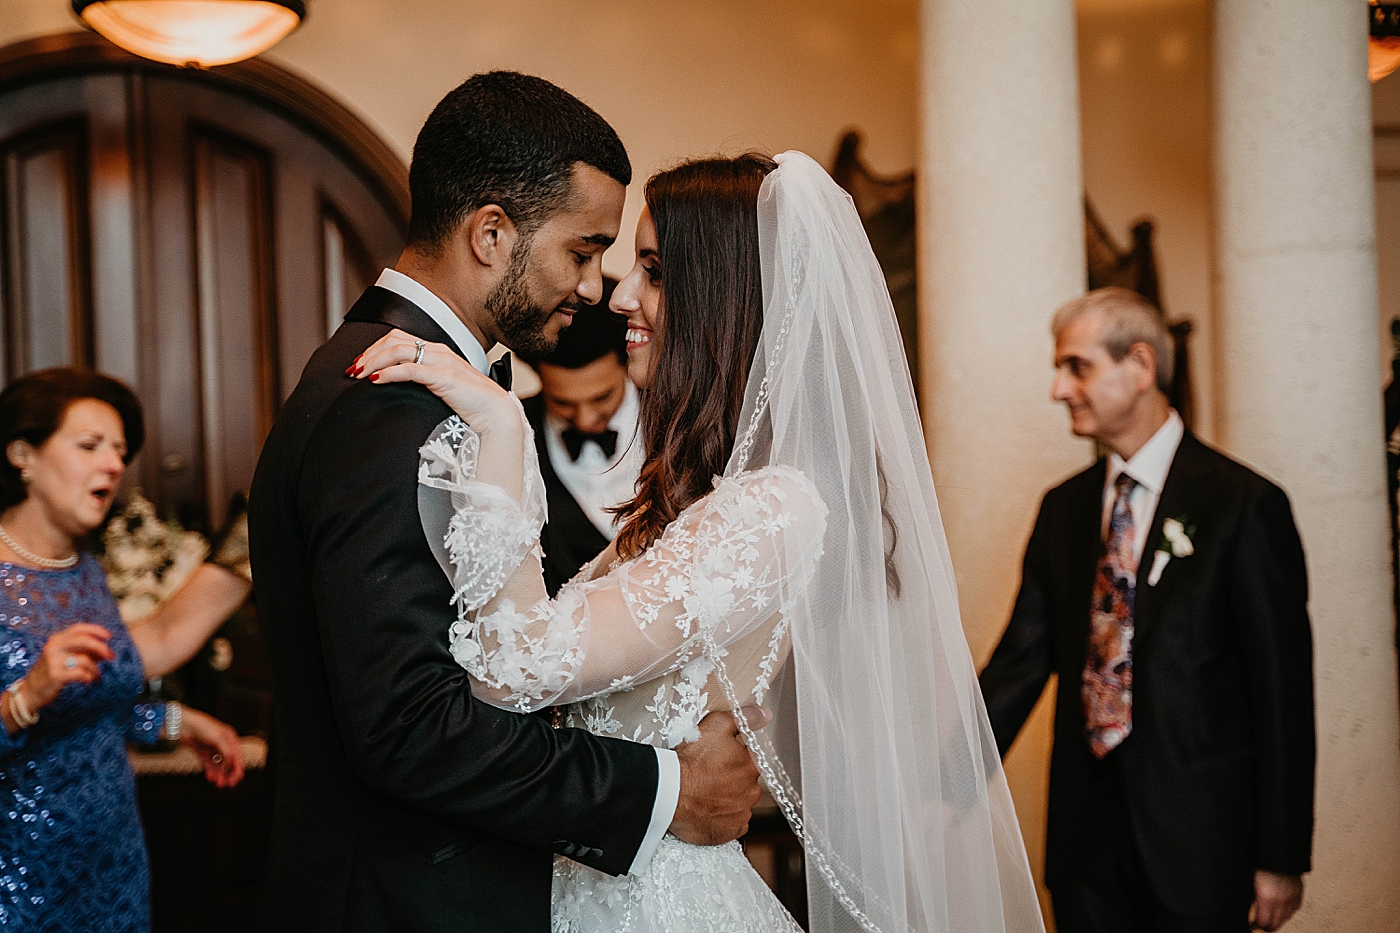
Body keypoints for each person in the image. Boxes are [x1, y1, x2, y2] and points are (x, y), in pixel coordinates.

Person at [355, 151, 1044, 933]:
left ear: (721, 297)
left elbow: (515, 668)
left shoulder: (775, 508)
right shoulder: (701, 502)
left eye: (652, 268)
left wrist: (501, 425)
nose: (620, 295)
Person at [247, 72, 763, 933]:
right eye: (584, 250)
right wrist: (662, 791)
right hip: (406, 901)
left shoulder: (418, 382)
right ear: (492, 233)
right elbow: (412, 724)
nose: (599, 288)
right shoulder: (390, 402)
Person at [978, 287, 1315, 933]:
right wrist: (931, 780)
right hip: (1085, 849)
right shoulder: (1064, 510)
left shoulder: (1243, 506)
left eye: (1076, 366)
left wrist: (1281, 855)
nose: (1057, 388)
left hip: (1203, 846)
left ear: (1140, 365)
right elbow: (1017, 667)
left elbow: (1283, 693)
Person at [0, 367, 246, 933]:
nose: (113, 464)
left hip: (112, 869)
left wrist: (178, 721)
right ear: (22, 455)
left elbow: (88, 712)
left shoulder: (83, 572)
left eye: (118, 450)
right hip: (18, 880)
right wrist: (25, 695)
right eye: (90, 446)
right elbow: (39, 704)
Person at [521, 277, 643, 594]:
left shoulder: (679, 415)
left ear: (627, 362)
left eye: (602, 397)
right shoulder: (516, 432)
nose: (586, 421)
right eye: (562, 403)